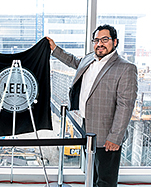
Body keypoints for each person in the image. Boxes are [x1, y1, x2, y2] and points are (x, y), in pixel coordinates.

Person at [47, 24, 138, 187]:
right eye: (96, 40)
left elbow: (126, 106)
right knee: (92, 174)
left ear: (115, 42)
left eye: (105, 39)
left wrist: (115, 137)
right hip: (86, 127)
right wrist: (55, 49)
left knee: (105, 181)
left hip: (107, 134)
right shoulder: (90, 58)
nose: (100, 44)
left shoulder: (126, 68)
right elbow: (74, 62)